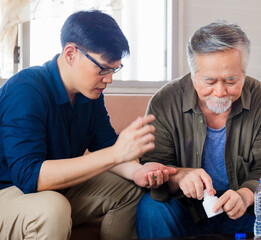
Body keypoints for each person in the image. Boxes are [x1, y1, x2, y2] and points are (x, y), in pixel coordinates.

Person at [0, 10, 176, 240]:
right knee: (52, 208)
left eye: (114, 69)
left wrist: (138, 171)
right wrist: (115, 154)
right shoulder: (25, 89)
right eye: (103, 68)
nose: (109, 79)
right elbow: (30, 177)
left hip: (55, 192)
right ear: (71, 53)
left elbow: (105, 145)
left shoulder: (88, 95)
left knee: (133, 188)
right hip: (10, 192)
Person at [136, 21, 261, 238]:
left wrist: (244, 195)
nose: (220, 91)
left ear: (244, 72)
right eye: (209, 81)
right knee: (151, 208)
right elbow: (152, 166)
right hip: (185, 207)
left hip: (242, 206)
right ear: (193, 75)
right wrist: (180, 176)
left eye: (231, 80)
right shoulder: (164, 102)